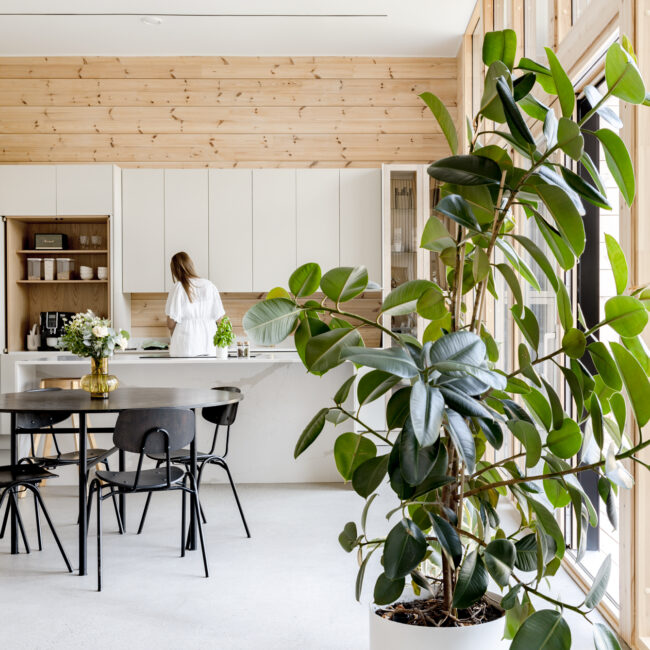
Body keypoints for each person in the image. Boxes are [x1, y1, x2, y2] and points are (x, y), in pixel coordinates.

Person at [165, 251, 225, 357]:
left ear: (174, 271)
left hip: (185, 343)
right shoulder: (209, 285)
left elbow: (170, 324)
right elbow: (220, 320)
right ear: (191, 265)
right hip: (209, 341)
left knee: (184, 373)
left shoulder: (178, 287)